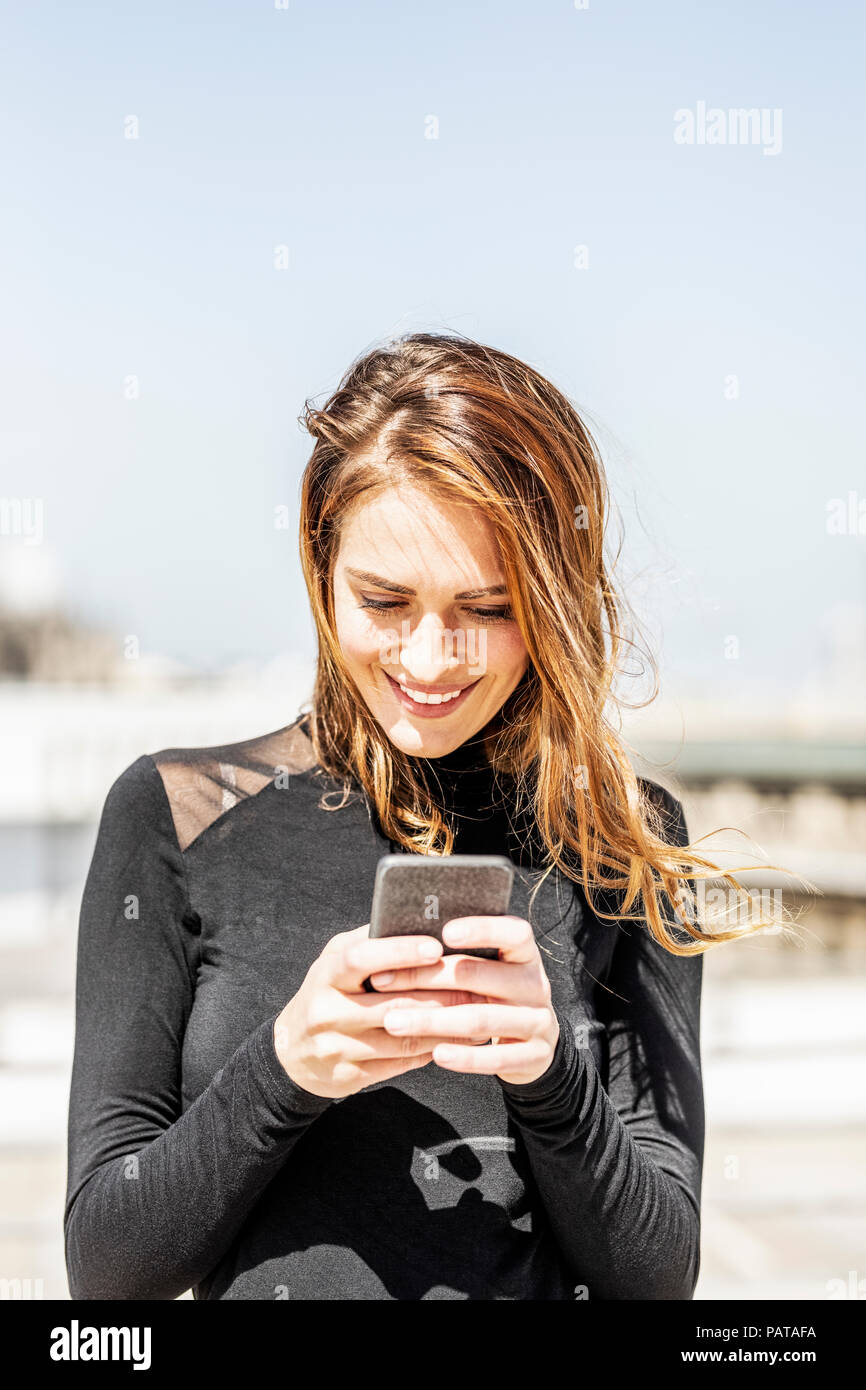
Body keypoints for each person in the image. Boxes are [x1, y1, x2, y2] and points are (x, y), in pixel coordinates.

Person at [64, 331, 771, 1301]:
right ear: (321, 571)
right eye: (384, 599)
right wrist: (284, 1067)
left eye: (486, 606)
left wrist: (550, 1076)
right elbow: (105, 1273)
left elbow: (656, 1279)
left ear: (553, 596)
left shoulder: (622, 836)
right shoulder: (175, 818)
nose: (431, 658)